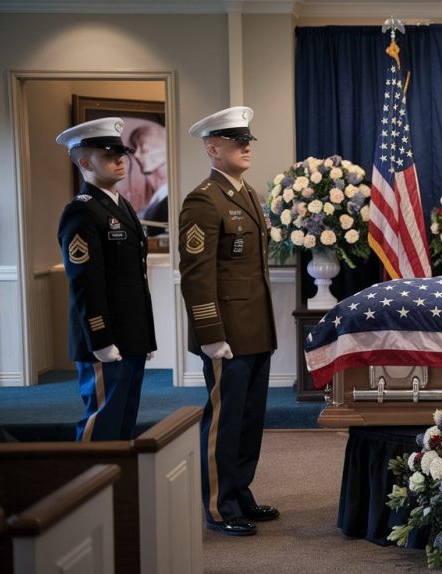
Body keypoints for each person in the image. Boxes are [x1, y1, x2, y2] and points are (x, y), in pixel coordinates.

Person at [179, 106, 278, 536]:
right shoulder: (204, 199)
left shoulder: (248, 193)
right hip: (227, 335)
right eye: (235, 141)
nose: (244, 147)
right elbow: (196, 276)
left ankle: (242, 491)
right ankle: (220, 505)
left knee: (250, 418)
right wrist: (210, 335)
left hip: (256, 328)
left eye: (246, 141)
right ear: (212, 148)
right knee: (224, 420)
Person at [55, 117, 156, 442]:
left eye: (120, 153)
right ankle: (91, 492)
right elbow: (85, 284)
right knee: (101, 427)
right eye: (108, 155)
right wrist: (100, 339)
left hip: (129, 335)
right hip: (105, 339)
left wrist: (142, 334)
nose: (119, 160)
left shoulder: (121, 205)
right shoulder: (81, 212)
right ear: (84, 161)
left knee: (123, 427)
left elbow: (133, 278)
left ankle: (119, 493)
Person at [127, 123, 169, 236]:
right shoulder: (159, 195)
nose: (136, 155)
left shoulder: (169, 196)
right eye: (136, 148)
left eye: (143, 147)